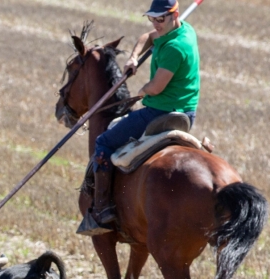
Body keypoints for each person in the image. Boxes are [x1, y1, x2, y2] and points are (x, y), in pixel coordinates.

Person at [78, 0, 200, 236]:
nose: (156, 24)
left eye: (160, 19)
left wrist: (143, 90)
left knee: (103, 142)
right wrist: (134, 58)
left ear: (174, 14)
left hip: (160, 110)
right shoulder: (183, 29)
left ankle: (102, 210)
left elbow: (156, 87)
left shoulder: (176, 47)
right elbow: (148, 37)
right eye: (152, 18)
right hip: (186, 111)